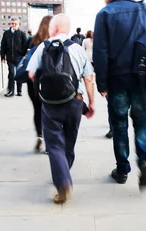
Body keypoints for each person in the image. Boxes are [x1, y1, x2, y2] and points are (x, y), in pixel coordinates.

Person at [93, 0, 146, 187]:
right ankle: (144, 161)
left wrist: (102, 83)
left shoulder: (105, 14)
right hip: (142, 80)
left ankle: (122, 169)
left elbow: (100, 53)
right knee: (141, 123)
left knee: (120, 124)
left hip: (117, 81)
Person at [27, 14, 95, 204]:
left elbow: (31, 74)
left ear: (54, 29)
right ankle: (65, 172)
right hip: (74, 101)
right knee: (69, 142)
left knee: (55, 145)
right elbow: (89, 78)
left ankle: (63, 180)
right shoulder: (78, 49)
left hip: (50, 104)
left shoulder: (43, 47)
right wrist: (91, 103)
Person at [26, 15, 53, 152]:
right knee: (49, 111)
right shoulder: (54, 41)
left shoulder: (33, 40)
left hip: (33, 82)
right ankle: (49, 142)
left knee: (37, 110)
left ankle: (39, 135)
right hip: (49, 81)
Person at [0, 17, 28, 97]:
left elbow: (25, 45)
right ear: (10, 24)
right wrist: (3, 57)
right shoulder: (6, 34)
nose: (14, 25)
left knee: (19, 73)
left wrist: (23, 54)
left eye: (15, 23)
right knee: (11, 73)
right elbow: (3, 46)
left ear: (18, 24)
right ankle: (11, 91)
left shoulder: (22, 34)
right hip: (10, 58)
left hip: (19, 58)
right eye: (12, 23)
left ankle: (19, 91)